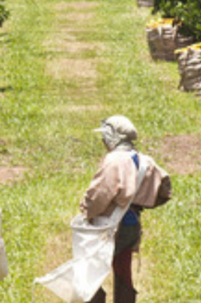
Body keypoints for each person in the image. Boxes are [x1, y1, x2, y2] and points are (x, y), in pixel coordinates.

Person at [81, 116, 171, 303]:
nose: (103, 141)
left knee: (91, 272)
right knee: (123, 270)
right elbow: (164, 190)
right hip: (131, 223)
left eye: (105, 136)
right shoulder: (144, 160)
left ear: (113, 137)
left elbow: (99, 195)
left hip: (109, 226)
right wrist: (138, 202)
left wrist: (86, 211)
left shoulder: (114, 161)